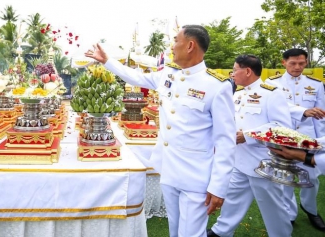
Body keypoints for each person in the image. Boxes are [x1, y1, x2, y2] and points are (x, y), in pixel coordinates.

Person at [86, 25, 236, 237]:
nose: (172, 46)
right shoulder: (169, 74)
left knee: (191, 234)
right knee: (174, 231)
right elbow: (136, 77)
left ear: (190, 45)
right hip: (169, 171)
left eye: (176, 40)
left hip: (196, 177)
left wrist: (219, 187)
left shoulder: (216, 86)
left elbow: (225, 142)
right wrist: (107, 61)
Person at [207, 54, 293, 237]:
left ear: (247, 71)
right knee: (232, 200)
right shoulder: (236, 94)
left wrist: (248, 136)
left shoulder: (271, 93)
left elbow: (282, 127)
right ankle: (220, 232)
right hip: (238, 160)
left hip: (263, 163)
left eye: (235, 69)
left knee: (273, 208)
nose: (232, 74)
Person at [265, 48, 325, 231]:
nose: (297, 67)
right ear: (283, 62)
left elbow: (321, 116)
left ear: (306, 62)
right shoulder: (271, 83)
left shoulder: (316, 84)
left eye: (301, 63)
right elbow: (276, 108)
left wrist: (320, 142)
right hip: (284, 137)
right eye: (293, 63)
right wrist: (303, 111)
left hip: (309, 139)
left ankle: (310, 209)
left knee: (312, 180)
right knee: (286, 179)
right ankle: (289, 213)